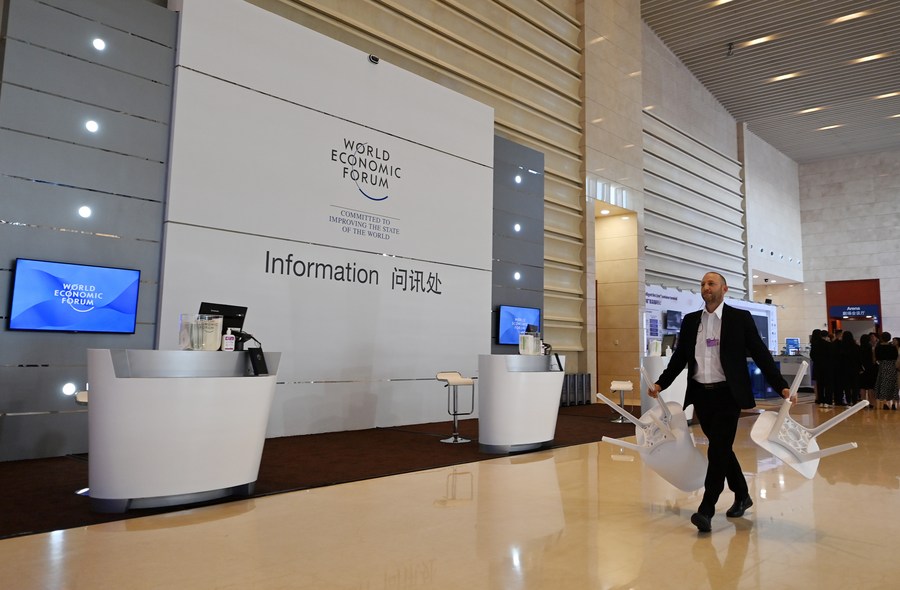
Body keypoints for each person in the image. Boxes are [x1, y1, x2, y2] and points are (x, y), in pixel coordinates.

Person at [648, 272, 790, 533]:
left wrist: (780, 384)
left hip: (727, 394)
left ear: (724, 289)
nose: (706, 287)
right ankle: (742, 494)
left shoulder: (739, 318)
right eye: (703, 284)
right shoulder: (692, 321)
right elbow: (680, 357)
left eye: (711, 283)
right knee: (721, 447)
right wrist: (661, 383)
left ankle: (707, 509)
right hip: (702, 395)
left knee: (717, 450)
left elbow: (760, 353)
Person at [874, 332, 898, 410]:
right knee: (893, 385)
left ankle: (885, 403)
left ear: (881, 338)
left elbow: (877, 358)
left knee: (884, 384)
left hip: (883, 366)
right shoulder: (893, 347)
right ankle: (894, 403)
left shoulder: (878, 347)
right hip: (892, 366)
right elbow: (896, 356)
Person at [859, 333, 877, 409]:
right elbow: (873, 360)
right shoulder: (870, 348)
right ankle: (871, 403)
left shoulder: (859, 348)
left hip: (862, 370)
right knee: (870, 387)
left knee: (862, 387)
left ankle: (862, 403)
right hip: (870, 369)